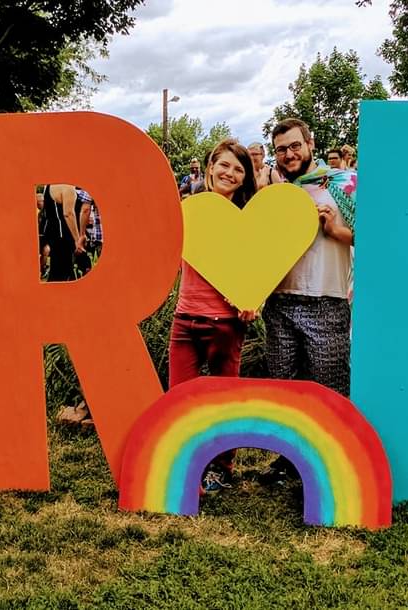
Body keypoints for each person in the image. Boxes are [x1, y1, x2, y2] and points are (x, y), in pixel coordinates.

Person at [260, 118, 356, 483]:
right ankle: (288, 462)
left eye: (294, 146)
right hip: (281, 302)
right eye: (281, 149)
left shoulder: (343, 184)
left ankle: (331, 465)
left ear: (310, 143)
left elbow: (377, 236)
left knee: (328, 388)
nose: (288, 154)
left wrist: (336, 231)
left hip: (325, 300)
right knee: (284, 387)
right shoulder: (275, 191)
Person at [169, 139, 259, 493]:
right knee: (180, 398)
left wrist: (252, 299)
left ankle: (221, 468)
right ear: (209, 167)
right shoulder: (188, 209)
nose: (230, 173)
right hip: (184, 317)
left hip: (225, 323)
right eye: (224, 165)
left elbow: (259, 270)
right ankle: (185, 464)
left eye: (238, 169)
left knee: (224, 399)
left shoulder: (246, 220)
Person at [39, 184, 87, 282]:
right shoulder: (67, 186)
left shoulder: (49, 186)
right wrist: (77, 240)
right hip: (63, 237)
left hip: (54, 235)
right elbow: (68, 214)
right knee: (61, 276)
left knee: (60, 274)